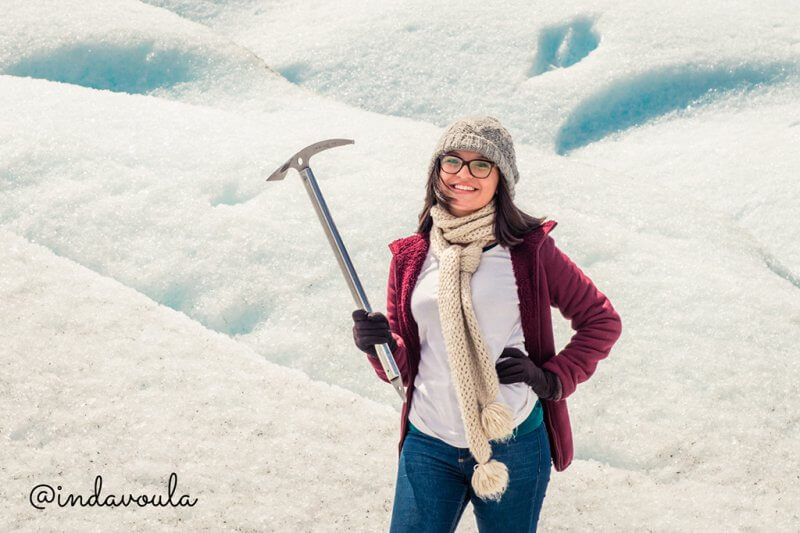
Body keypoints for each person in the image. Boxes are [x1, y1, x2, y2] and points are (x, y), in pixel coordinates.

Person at [352, 116, 622, 532]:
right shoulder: (411, 257)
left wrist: (551, 379)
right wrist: (380, 344)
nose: (464, 174)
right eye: (453, 162)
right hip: (429, 442)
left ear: (502, 179)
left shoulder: (530, 252)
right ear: (436, 172)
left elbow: (601, 321)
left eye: (482, 165)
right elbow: (405, 366)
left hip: (512, 443)